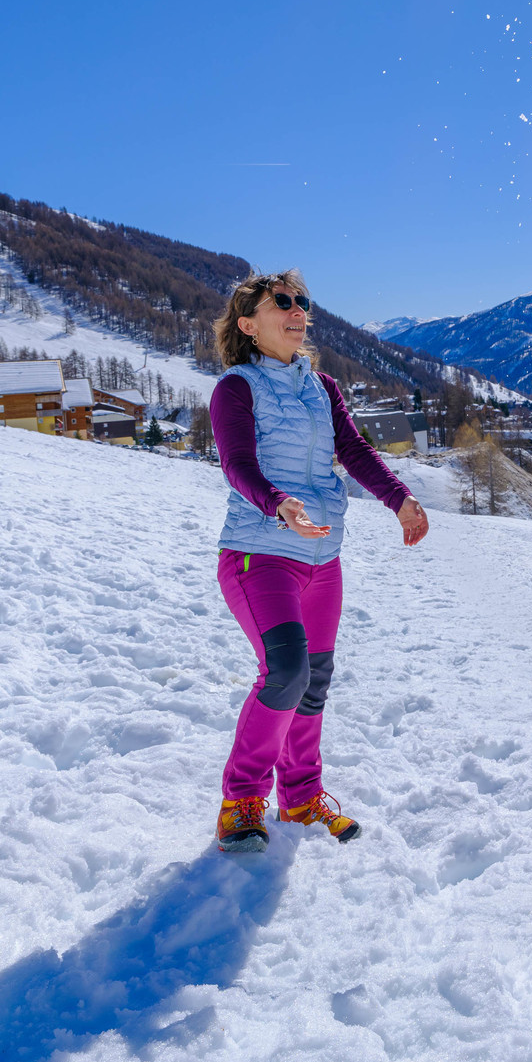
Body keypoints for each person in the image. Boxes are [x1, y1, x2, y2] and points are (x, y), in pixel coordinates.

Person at [208, 271, 429, 853]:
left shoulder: (321, 386)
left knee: (314, 681)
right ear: (249, 324)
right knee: (285, 672)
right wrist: (277, 504)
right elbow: (235, 462)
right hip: (260, 555)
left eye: (302, 301)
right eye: (281, 302)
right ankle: (241, 801)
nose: (297, 309)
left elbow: (353, 450)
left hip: (321, 559)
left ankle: (302, 797)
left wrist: (399, 498)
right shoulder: (236, 388)